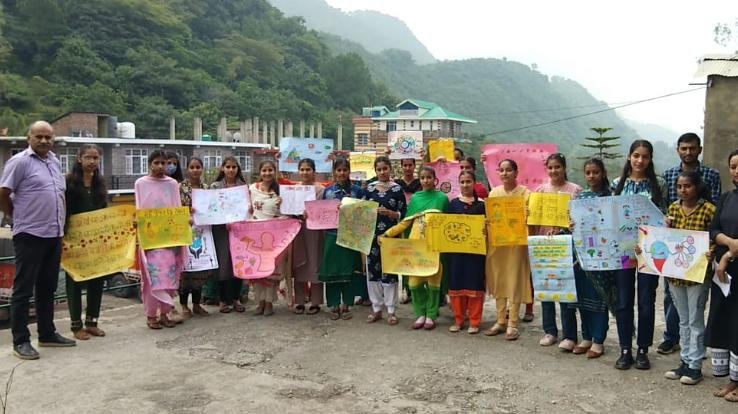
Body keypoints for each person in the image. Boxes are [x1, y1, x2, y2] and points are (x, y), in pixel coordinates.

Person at [0, 121, 75, 359]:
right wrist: (17, 215)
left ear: (53, 139)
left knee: (47, 287)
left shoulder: (54, 161)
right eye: (39, 136)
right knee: (23, 289)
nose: (44, 141)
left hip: (53, 234)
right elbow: (3, 193)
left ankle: (47, 333)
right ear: (29, 137)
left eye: (48, 137)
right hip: (29, 235)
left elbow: (58, 194)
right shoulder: (20, 161)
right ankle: (20, 340)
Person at [659, 132, 721, 355]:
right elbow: (667, 213)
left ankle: (695, 356)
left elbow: (715, 218)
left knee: (695, 312)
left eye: (692, 148)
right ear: (678, 150)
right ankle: (673, 339)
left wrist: (710, 249)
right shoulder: (668, 176)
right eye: (683, 148)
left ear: (699, 149)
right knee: (674, 301)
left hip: (698, 255)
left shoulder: (711, 177)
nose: (688, 152)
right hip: (676, 258)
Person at [611, 139, 668, 370]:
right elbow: (610, 216)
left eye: (645, 156)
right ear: (629, 156)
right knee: (624, 300)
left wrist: (666, 220)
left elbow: (664, 213)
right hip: (623, 249)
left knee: (646, 300)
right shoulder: (617, 183)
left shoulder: (660, 183)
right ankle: (625, 349)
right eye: (636, 155)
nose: (640, 160)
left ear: (650, 159)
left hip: (650, 250)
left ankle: (643, 349)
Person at [657, 171, 715, 385]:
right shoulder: (672, 209)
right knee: (683, 319)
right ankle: (685, 360)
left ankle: (695, 366)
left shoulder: (708, 209)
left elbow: (716, 235)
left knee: (695, 319)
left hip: (698, 275)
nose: (683, 190)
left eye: (688, 186)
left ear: (697, 187)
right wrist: (666, 227)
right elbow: (666, 238)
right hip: (676, 274)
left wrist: (712, 251)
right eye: (680, 186)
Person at [381, 166, 448, 329]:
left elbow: (449, 223)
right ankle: (420, 313)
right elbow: (405, 222)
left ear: (435, 179)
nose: (426, 180)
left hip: (434, 248)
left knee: (433, 283)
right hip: (415, 249)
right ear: (420, 179)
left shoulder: (442, 198)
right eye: (423, 177)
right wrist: (387, 234)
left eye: (429, 177)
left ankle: (431, 315)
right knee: (414, 284)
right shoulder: (416, 198)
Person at [534, 153, 582, 349]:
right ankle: (550, 331)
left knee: (565, 291)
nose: (554, 171)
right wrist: (530, 214)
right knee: (546, 290)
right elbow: (533, 221)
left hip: (566, 246)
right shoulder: (539, 191)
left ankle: (569, 335)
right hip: (543, 245)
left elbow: (580, 219)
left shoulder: (575, 190)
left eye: (557, 167)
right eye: (550, 167)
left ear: (564, 168)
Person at [135, 150, 186, 329]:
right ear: (149, 164)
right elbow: (139, 208)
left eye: (164, 163)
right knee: (152, 278)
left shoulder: (172, 184)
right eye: (156, 163)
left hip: (170, 238)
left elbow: (177, 207)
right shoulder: (140, 183)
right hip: (151, 239)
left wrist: (183, 222)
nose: (160, 167)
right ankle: (151, 315)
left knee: (170, 276)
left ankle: (165, 313)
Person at [484, 159, 533, 340]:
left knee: (514, 280)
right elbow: (489, 218)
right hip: (498, 244)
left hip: (517, 245)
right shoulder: (494, 193)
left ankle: (512, 322)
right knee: (499, 278)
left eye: (509, 170)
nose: (505, 173)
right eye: (502, 170)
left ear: (516, 172)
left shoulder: (526, 194)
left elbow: (531, 219)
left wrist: (528, 215)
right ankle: (500, 320)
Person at [64, 144, 109, 340]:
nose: (92, 161)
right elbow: (63, 210)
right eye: (88, 157)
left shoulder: (100, 182)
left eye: (95, 158)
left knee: (97, 280)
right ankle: (76, 326)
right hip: (73, 240)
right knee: (74, 281)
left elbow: (105, 210)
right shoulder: (68, 182)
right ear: (79, 158)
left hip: (96, 240)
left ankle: (92, 322)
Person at [569, 158, 612, 358]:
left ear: (603, 173)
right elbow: (573, 222)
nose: (592, 176)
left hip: (603, 255)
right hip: (581, 253)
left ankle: (598, 340)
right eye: (588, 172)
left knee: (599, 297)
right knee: (582, 297)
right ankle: (585, 336)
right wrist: (570, 226)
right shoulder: (580, 196)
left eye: (595, 172)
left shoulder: (611, 196)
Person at [706, 149, 738, 402]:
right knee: (724, 321)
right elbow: (713, 228)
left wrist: (726, 256)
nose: (737, 171)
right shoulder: (726, 198)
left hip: (728, 266)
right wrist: (726, 241)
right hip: (724, 276)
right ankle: (731, 380)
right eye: (734, 166)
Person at [319, 158, 364, 320]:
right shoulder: (328, 191)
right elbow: (322, 214)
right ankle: (333, 304)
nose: (342, 173)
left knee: (349, 270)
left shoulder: (358, 191)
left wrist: (350, 208)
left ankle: (346, 305)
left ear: (349, 171)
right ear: (334, 172)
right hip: (332, 235)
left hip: (351, 236)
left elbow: (363, 213)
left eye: (345, 170)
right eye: (338, 170)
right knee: (332, 271)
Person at [364, 156, 406, 324]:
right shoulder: (369, 189)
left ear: (390, 169)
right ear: (375, 171)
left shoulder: (397, 190)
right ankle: (376, 308)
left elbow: (404, 214)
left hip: (390, 236)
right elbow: (361, 211)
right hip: (371, 237)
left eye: (385, 168)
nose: (382, 172)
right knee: (373, 272)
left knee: (390, 271)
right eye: (379, 169)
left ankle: (391, 310)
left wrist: (392, 214)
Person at [446, 170, 485, 334]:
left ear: (474, 182)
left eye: (468, 181)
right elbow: (445, 227)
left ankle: (474, 321)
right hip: (456, 253)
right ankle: (459, 319)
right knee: (457, 285)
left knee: (474, 285)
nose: (465, 185)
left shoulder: (482, 204)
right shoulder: (452, 203)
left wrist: (485, 231)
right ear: (458, 184)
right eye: (462, 182)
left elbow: (488, 226)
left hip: (475, 253)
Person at [210, 157, 248, 314]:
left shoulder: (243, 187)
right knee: (223, 264)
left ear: (238, 169)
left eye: (234, 167)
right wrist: (222, 220)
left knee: (238, 263)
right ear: (222, 168)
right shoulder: (214, 187)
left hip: (239, 231)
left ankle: (236, 298)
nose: (231, 169)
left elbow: (246, 208)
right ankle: (223, 300)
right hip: (221, 231)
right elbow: (211, 208)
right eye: (228, 166)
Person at [249, 160, 284, 316]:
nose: (267, 173)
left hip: (274, 237)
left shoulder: (281, 191)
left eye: (270, 170)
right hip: (255, 235)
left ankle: (269, 303)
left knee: (271, 269)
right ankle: (260, 302)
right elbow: (245, 209)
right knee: (257, 269)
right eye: (264, 170)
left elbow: (286, 213)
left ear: (275, 171)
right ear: (259, 172)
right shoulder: (252, 189)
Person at [178, 157, 211, 318]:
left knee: (200, 269)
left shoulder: (206, 187)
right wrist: (187, 215)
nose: (195, 170)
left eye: (198, 167)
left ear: (202, 169)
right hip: (185, 230)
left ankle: (197, 304)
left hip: (203, 231)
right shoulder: (180, 187)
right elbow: (175, 209)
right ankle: (184, 305)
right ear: (187, 169)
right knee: (186, 270)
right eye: (192, 167)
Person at [291, 158, 325, 315]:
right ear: (298, 172)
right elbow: (288, 211)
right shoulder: (293, 190)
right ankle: (299, 300)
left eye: (308, 169)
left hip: (315, 231)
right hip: (297, 230)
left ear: (314, 171)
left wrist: (311, 212)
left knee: (314, 262)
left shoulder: (320, 190)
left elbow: (324, 210)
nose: (305, 172)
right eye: (302, 169)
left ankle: (316, 301)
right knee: (299, 263)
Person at [395, 158, 421, 304]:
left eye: (410, 165)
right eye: (404, 165)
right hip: (402, 223)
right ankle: (407, 290)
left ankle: (419, 289)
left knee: (417, 256)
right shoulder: (397, 184)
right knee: (405, 257)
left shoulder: (420, 183)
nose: (407, 168)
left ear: (414, 166)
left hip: (417, 223)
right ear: (401, 166)